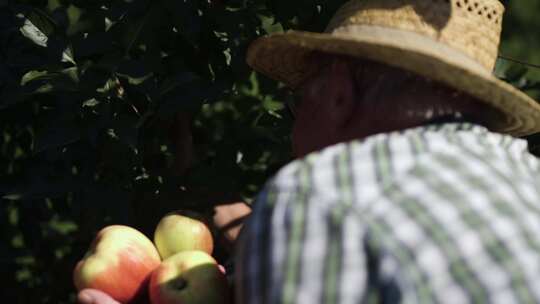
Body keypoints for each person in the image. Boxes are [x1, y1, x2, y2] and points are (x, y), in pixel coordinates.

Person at [78, 0, 540, 303]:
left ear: (338, 92)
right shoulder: (528, 180)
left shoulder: (318, 196)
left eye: (301, 99)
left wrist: (301, 218)